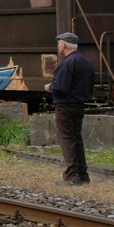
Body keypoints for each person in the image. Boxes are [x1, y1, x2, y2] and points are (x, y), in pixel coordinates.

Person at [45, 31, 94, 186]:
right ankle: (83, 175)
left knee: (67, 139)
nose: (58, 46)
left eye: (59, 43)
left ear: (64, 44)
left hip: (65, 106)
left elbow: (61, 87)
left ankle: (72, 176)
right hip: (79, 105)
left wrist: (50, 86)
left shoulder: (67, 64)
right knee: (76, 139)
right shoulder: (86, 62)